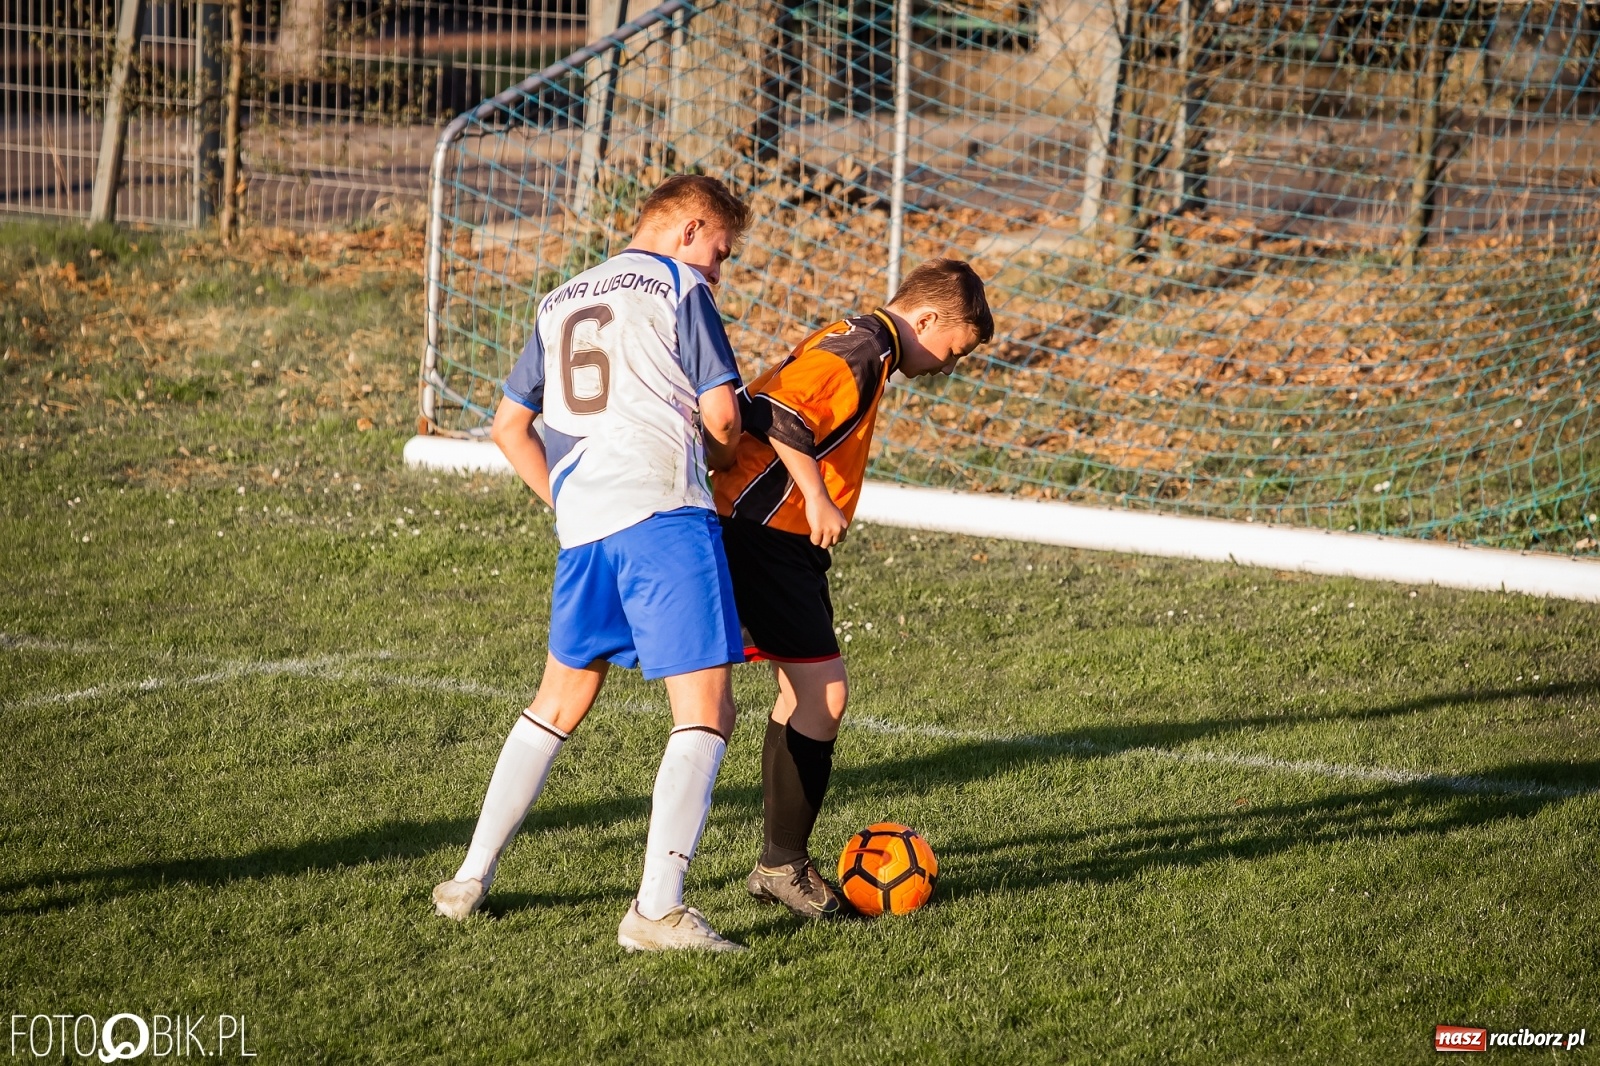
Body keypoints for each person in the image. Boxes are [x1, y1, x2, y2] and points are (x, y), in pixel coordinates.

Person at [432, 175, 752, 953]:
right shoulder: (679, 287)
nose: (719, 271)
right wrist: (721, 453)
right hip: (663, 512)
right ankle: (655, 910)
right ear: (690, 228)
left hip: (585, 528)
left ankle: (469, 876)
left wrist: (567, 502)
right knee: (708, 710)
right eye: (720, 253)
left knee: (557, 701)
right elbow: (722, 416)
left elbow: (511, 427)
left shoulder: (560, 297)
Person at [713, 258, 994, 919]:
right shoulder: (866, 347)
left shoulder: (864, 340)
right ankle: (782, 864)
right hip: (765, 529)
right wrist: (815, 496)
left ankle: (780, 861)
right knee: (823, 695)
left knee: (802, 691)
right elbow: (778, 410)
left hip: (770, 533)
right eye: (951, 351)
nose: (946, 367)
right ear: (926, 318)